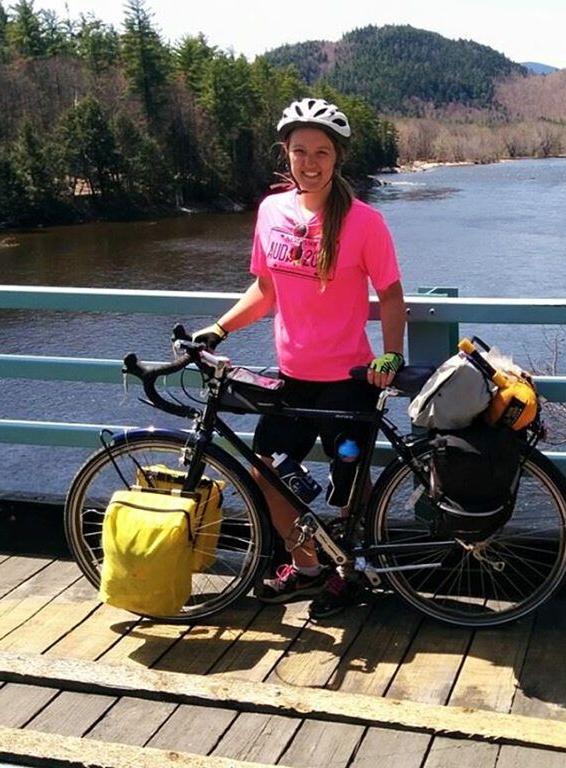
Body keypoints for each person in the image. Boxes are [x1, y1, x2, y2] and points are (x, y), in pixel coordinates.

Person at [192, 97, 405, 619]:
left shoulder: (364, 222)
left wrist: (394, 355)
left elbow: (393, 295)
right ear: (285, 154)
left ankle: (351, 573)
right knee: (266, 472)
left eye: (322, 153)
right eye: (300, 151)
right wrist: (219, 327)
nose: (310, 163)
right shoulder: (271, 212)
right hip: (292, 376)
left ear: (338, 159)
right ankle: (306, 564)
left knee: (349, 483)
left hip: (349, 378)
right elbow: (264, 290)